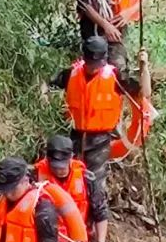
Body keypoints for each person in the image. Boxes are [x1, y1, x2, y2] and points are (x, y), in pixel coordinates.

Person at [51, 35, 151, 193]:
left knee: (95, 184)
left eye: (97, 64)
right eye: (90, 64)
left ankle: (97, 214)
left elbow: (144, 91)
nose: (94, 68)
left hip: (100, 140)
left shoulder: (116, 76)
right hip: (74, 137)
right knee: (69, 182)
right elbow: (49, 86)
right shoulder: (71, 74)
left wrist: (144, 67)